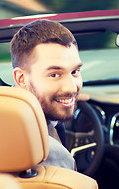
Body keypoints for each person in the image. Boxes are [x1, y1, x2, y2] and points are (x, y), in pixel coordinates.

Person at [11, 19, 82, 170]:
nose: (72, 88)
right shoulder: (51, 155)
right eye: (54, 75)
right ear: (21, 79)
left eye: (74, 72)